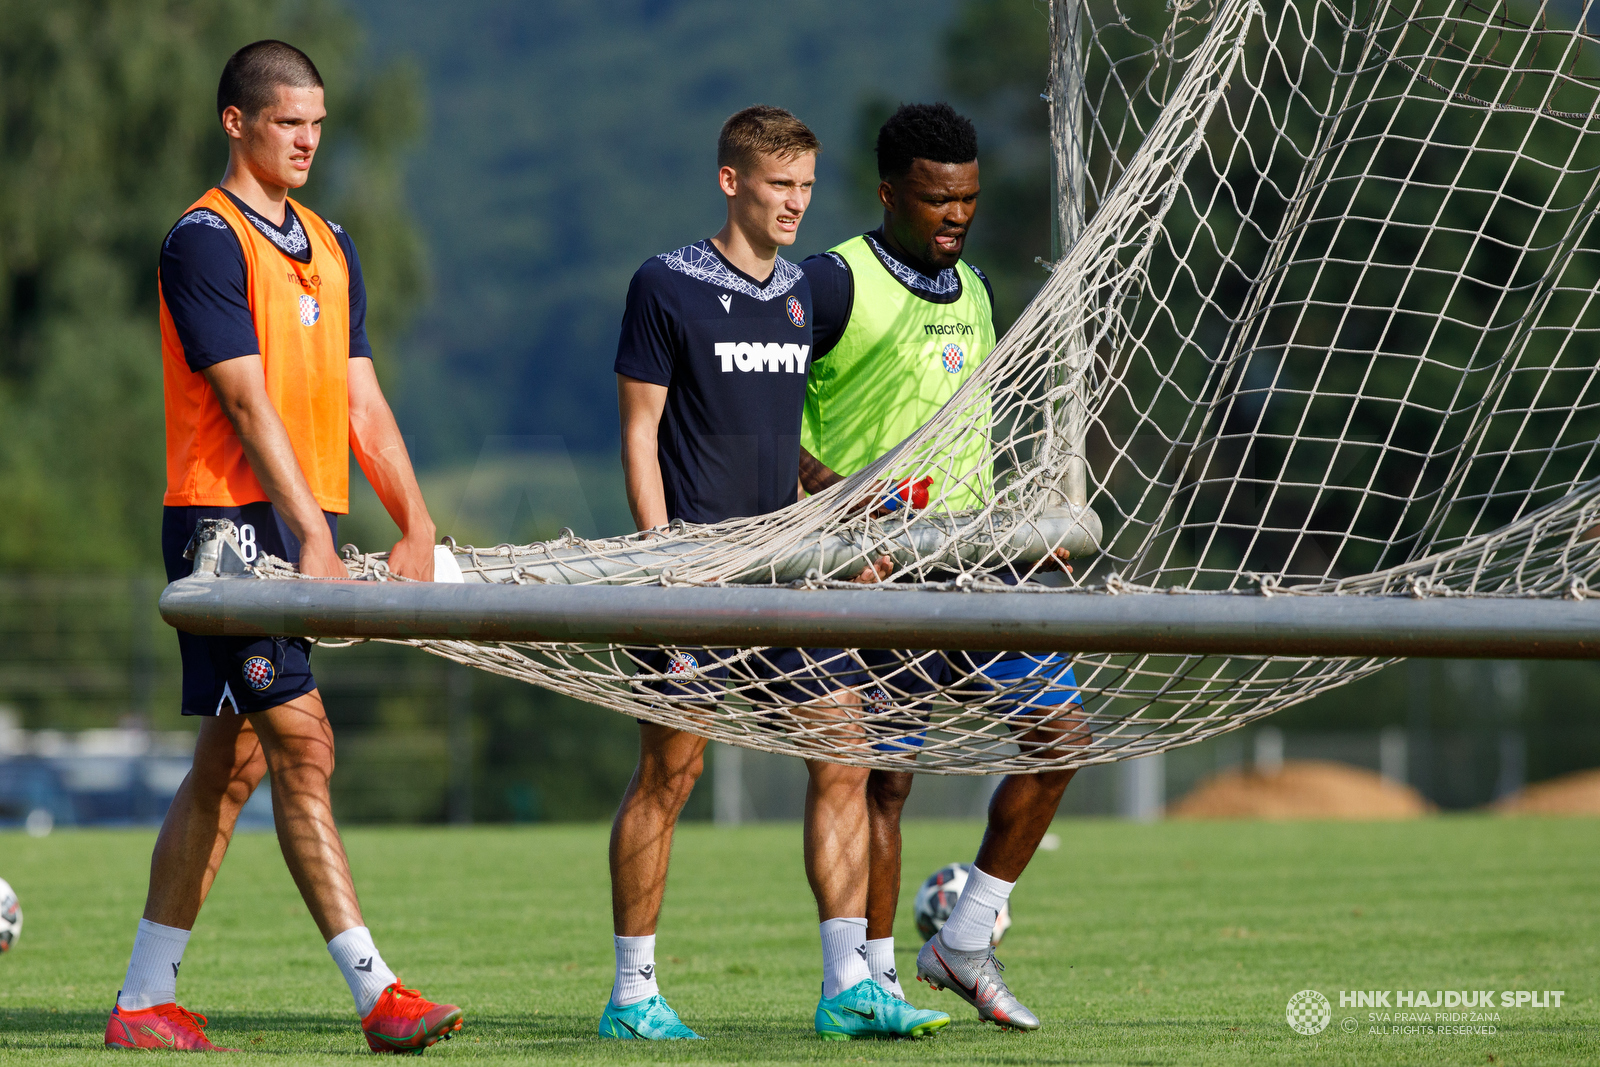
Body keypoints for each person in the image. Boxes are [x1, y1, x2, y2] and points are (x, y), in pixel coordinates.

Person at [105, 41, 462, 1054]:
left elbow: (360, 397)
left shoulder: (331, 238)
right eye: (285, 122)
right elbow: (243, 397)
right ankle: (378, 993)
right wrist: (311, 533)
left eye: (315, 122)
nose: (306, 139)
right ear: (236, 123)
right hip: (226, 529)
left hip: (301, 523)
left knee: (233, 764)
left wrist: (417, 522)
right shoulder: (203, 241)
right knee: (305, 741)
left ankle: (141, 1002)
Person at [603, 105, 949, 1043]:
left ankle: (847, 988)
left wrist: (841, 507)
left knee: (843, 749)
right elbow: (641, 433)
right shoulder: (665, 284)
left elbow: (778, 436)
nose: (796, 203)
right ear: (731, 183)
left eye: (804, 185)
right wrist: (663, 556)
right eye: (778, 186)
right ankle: (633, 995)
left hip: (789, 572)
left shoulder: (801, 293)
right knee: (668, 776)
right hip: (696, 574)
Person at [800, 102, 1087, 1032]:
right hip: (868, 573)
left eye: (965, 198)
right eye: (934, 200)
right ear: (889, 193)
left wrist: (1013, 523)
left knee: (1063, 737)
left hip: (972, 570)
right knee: (887, 781)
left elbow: (971, 436)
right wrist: (842, 500)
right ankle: (875, 980)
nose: (954, 216)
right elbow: (762, 421)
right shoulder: (830, 283)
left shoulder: (978, 290)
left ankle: (963, 938)